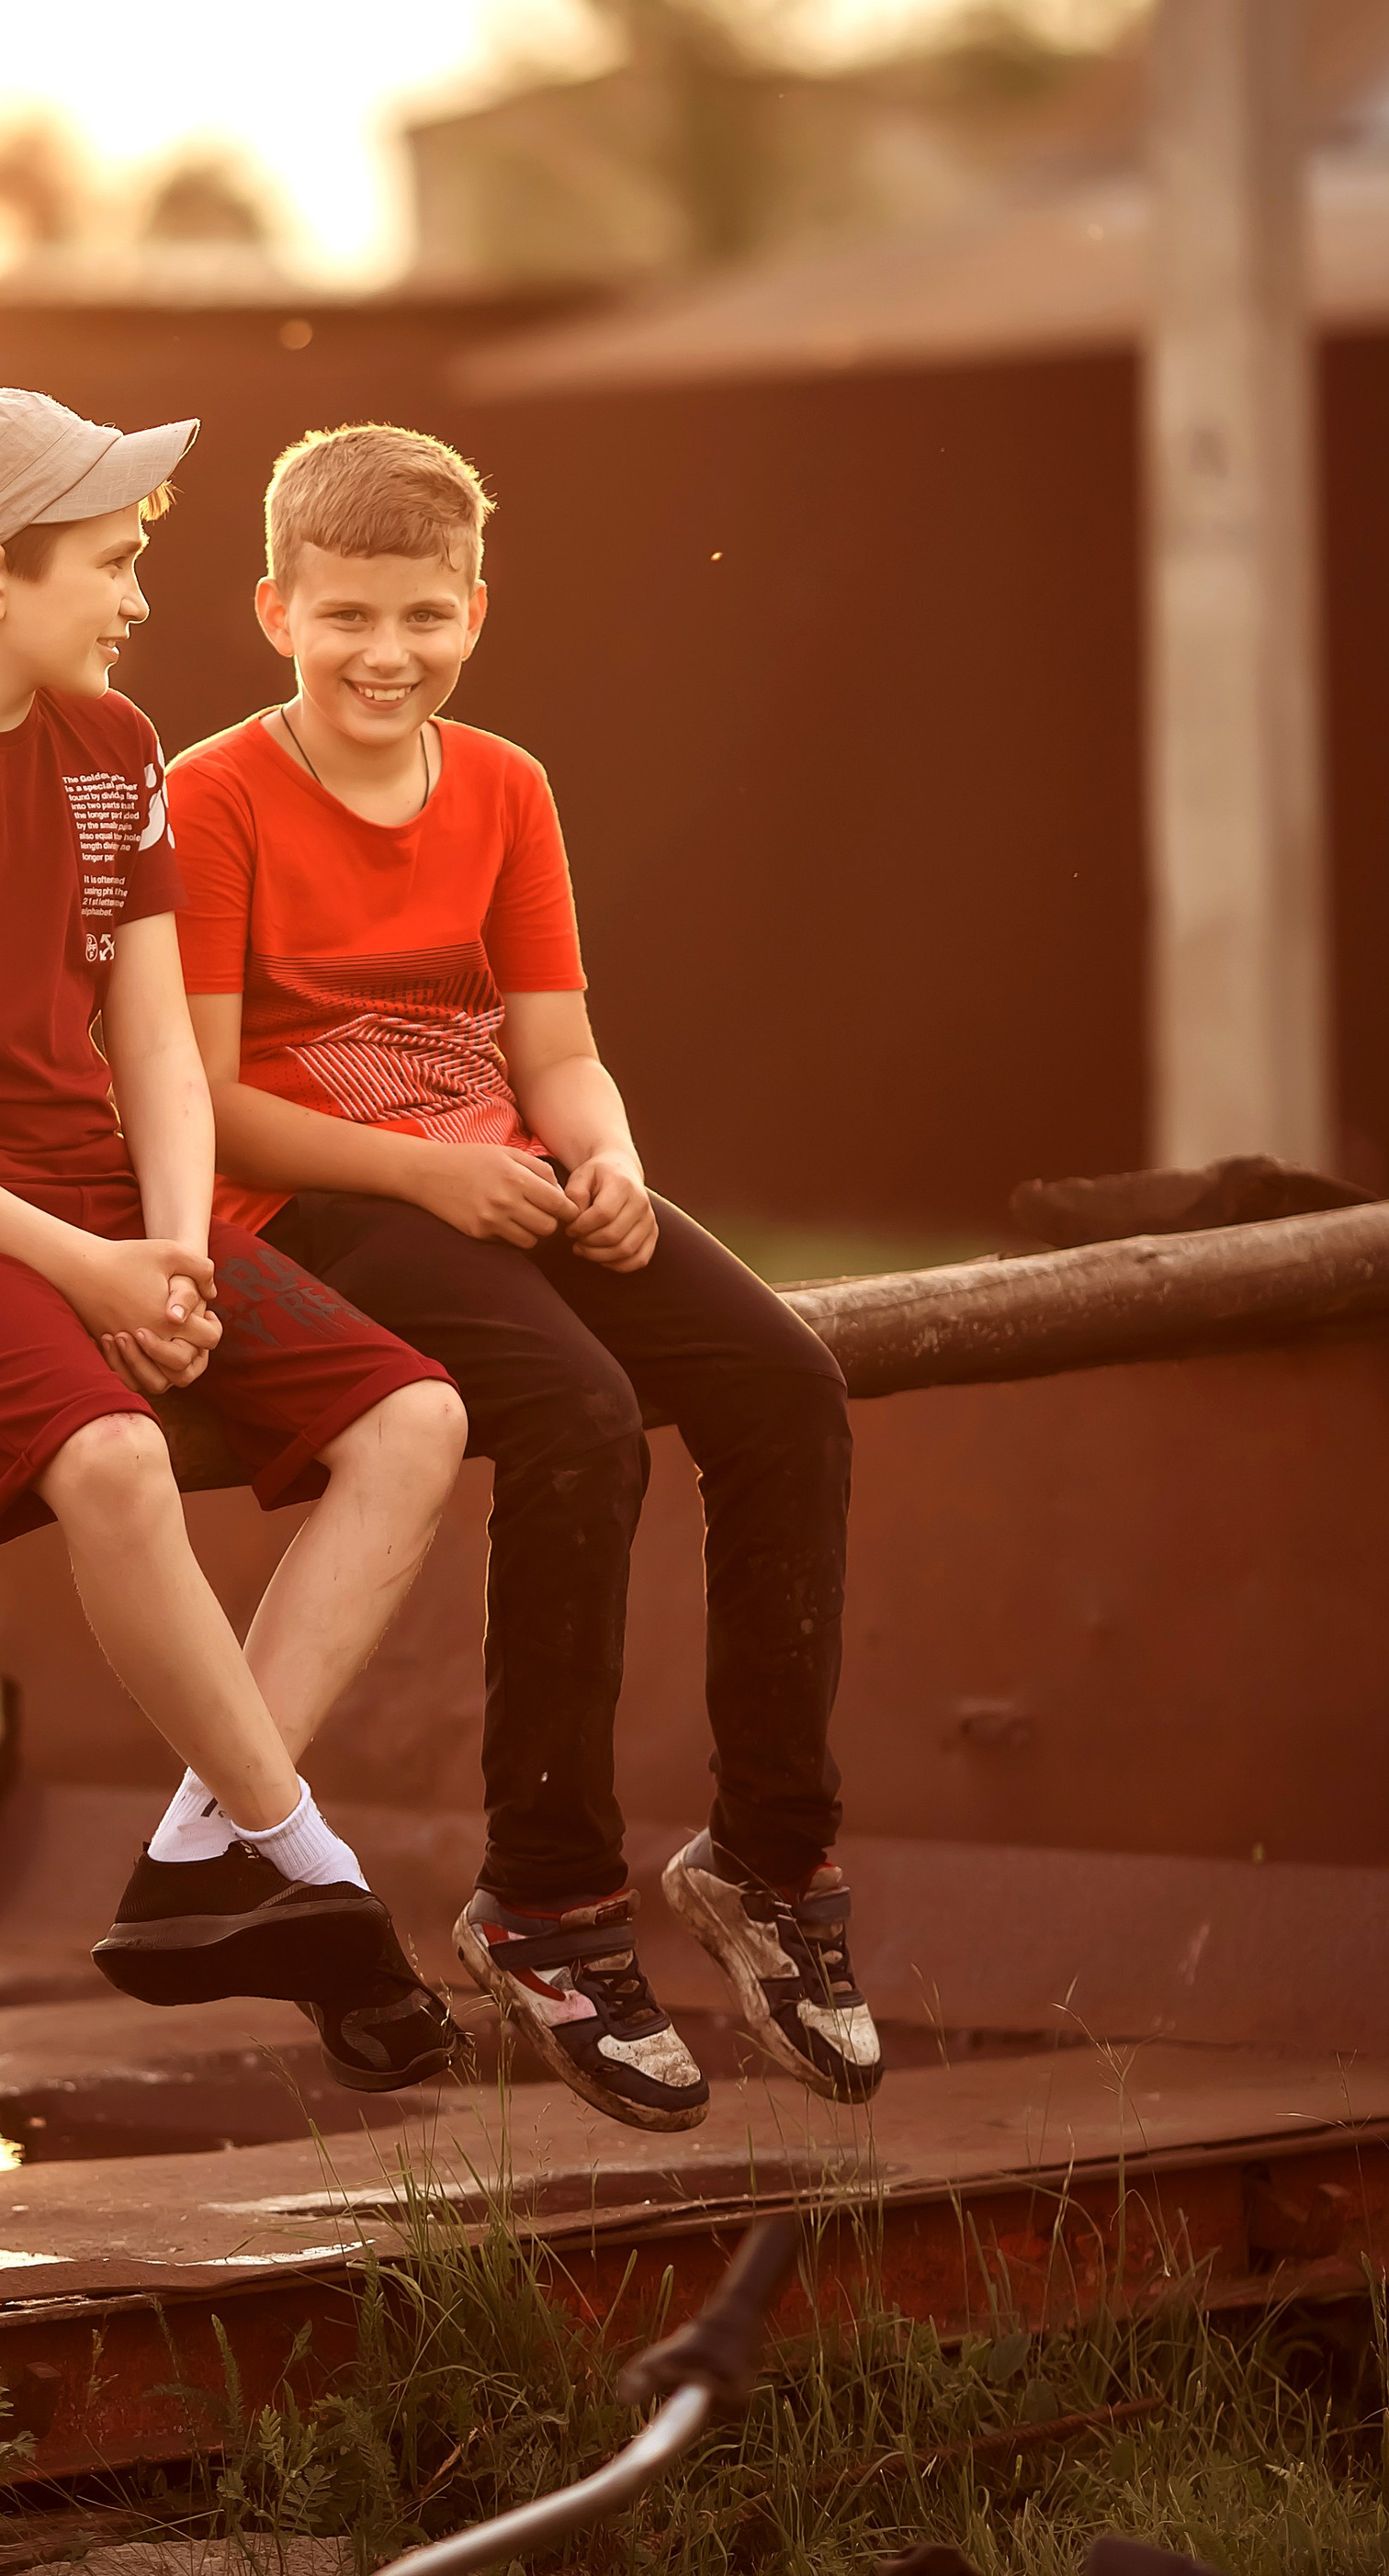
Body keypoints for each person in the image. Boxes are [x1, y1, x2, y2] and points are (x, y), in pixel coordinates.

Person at [151, 422, 881, 2132]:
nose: (384, 654)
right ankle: (548, 1904)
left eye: (421, 615)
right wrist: (432, 1171)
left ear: (476, 609)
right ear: (274, 608)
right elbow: (198, 1094)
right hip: (316, 1197)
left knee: (785, 1384)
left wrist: (608, 1161)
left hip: (506, 1169)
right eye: (345, 617)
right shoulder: (216, 795)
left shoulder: (507, 786)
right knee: (577, 1411)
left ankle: (770, 1861)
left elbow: (557, 1049)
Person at [0, 387, 469, 2093]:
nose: (142, 596)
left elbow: (151, 1043)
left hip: (100, 1202)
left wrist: (171, 1250)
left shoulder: (118, 747)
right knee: (122, 1460)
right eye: (111, 561)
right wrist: (89, 1280)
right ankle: (315, 1876)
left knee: (415, 1419)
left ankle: (206, 1856)